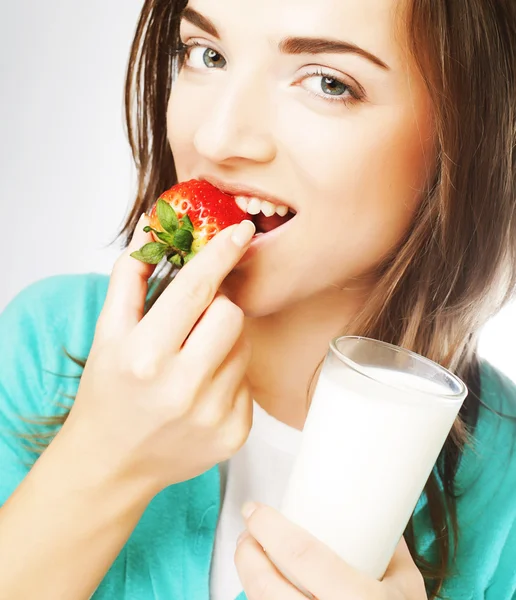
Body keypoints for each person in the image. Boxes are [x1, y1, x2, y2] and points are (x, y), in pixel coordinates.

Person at [1, 0, 515, 598]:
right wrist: (103, 459)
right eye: (205, 55)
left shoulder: (504, 491)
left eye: (327, 82)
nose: (215, 137)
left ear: (472, 134)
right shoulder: (47, 343)